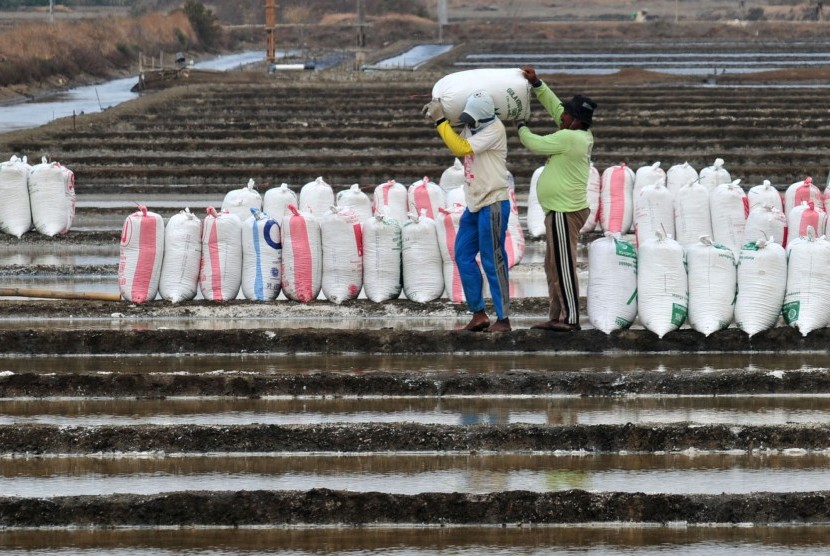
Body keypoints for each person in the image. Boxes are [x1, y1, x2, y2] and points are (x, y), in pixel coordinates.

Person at [516, 65, 596, 332]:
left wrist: (521, 125)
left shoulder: (570, 138)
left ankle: (571, 319)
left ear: (576, 121)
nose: (561, 117)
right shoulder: (574, 131)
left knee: (563, 266)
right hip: (558, 211)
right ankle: (557, 315)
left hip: (565, 211)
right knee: (552, 266)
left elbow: (534, 143)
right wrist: (537, 84)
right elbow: (555, 108)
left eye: (567, 115)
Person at [422, 91, 511, 332]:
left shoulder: (494, 130)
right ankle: (478, 314)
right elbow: (457, 135)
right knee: (462, 254)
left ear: (482, 117)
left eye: (472, 118)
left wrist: (440, 121)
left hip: (493, 202)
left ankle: (503, 319)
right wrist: (442, 112)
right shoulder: (473, 127)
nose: (468, 122)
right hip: (475, 203)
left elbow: (460, 148)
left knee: (493, 259)